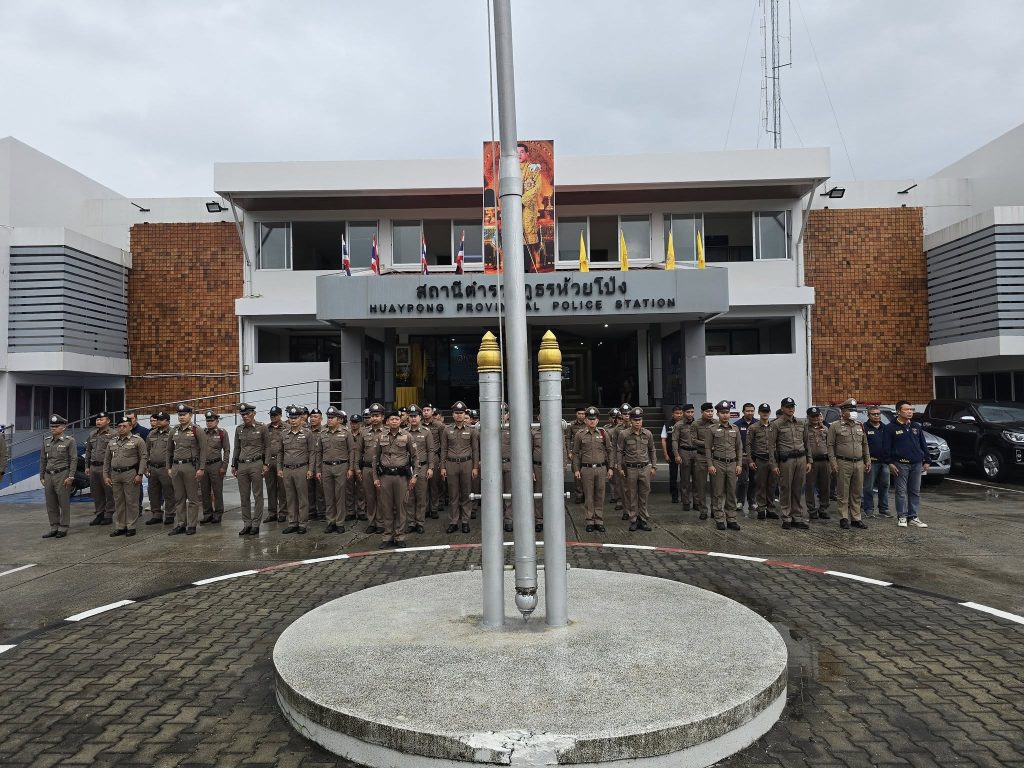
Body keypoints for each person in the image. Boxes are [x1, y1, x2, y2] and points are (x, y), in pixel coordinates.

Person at [373, 410, 419, 548]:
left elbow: (415, 457)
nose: (394, 421)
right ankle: (387, 536)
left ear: (400, 421)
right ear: (387, 421)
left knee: (401, 507)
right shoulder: (381, 436)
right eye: (391, 419)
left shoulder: (407, 436)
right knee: (386, 507)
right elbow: (375, 458)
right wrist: (375, 477)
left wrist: (415, 475)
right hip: (385, 476)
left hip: (401, 477)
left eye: (396, 419)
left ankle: (399, 536)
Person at [883, 400, 930, 528]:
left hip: (916, 464)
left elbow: (923, 444)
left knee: (915, 491)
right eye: (907, 409)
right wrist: (890, 463)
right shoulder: (890, 428)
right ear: (898, 411)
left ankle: (913, 516)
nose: (910, 412)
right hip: (900, 464)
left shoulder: (916, 426)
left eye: (911, 409)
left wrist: (927, 460)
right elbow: (886, 447)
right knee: (901, 491)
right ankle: (902, 516)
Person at [827, 399, 870, 530]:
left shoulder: (859, 425)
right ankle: (843, 518)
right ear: (843, 412)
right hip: (843, 462)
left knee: (857, 492)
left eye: (854, 410)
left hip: (859, 462)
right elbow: (830, 445)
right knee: (843, 492)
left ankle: (856, 518)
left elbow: (864, 444)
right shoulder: (835, 426)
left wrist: (867, 460)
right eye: (850, 410)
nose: (853, 412)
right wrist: (833, 462)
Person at [103, 416, 148, 538]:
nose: (121, 428)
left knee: (131, 501)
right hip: (115, 474)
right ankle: (120, 526)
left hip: (130, 473)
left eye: (124, 426)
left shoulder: (138, 440)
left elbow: (143, 458)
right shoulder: (112, 441)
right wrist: (106, 475)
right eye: (119, 426)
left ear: (130, 427)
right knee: (118, 501)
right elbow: (107, 460)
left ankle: (131, 526)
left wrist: (140, 474)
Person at [770, 397, 810, 530]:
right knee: (786, 488)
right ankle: (786, 517)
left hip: (801, 459)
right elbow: (771, 447)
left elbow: (807, 443)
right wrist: (774, 465)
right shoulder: (776, 424)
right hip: (786, 460)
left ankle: (797, 517)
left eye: (792, 406)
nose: (791, 409)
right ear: (782, 408)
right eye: (788, 407)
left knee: (798, 489)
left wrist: (809, 460)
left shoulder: (801, 423)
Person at [167, 404, 208, 536]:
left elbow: (203, 450)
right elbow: (169, 450)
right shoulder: (174, 430)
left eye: (184, 414)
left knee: (192, 498)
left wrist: (201, 468)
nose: (181, 417)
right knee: (179, 498)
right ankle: (181, 524)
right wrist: (169, 467)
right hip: (176, 467)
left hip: (191, 466)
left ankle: (192, 525)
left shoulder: (197, 430)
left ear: (190, 415)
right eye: (179, 415)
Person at [615, 407, 657, 532]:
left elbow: (652, 450)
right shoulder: (624, 434)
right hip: (631, 468)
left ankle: (643, 519)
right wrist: (619, 467)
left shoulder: (648, 433)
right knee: (631, 495)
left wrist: (654, 466)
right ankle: (633, 519)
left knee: (644, 494)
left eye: (640, 420)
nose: (638, 422)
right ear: (631, 421)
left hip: (644, 468)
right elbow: (619, 451)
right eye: (635, 420)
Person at [440, 401, 479, 534]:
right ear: (453, 414)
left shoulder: (471, 430)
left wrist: (475, 467)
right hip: (451, 464)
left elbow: (475, 450)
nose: (459, 415)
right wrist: (442, 466)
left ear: (464, 414)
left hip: (466, 464)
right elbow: (444, 449)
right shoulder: (447, 430)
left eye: (461, 413)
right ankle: (454, 521)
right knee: (453, 494)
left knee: (466, 493)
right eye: (456, 413)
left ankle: (465, 521)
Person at [573, 406, 612, 533]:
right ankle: (590, 520)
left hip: (601, 468)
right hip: (586, 469)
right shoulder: (580, 434)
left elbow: (610, 450)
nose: (592, 421)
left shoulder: (603, 433)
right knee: (588, 496)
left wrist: (610, 468)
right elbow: (575, 453)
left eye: (594, 419)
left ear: (597, 420)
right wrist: (576, 469)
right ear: (585, 420)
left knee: (600, 495)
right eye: (589, 419)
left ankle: (599, 520)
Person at [231, 403, 268, 536]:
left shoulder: (262, 427)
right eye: (243, 414)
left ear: (254, 414)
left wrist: (266, 464)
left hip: (256, 464)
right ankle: (247, 523)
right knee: (244, 496)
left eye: (247, 414)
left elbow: (267, 447)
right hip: (242, 465)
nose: (245, 416)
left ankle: (256, 524)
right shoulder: (239, 429)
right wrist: (233, 465)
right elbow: (237, 448)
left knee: (258, 495)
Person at [277, 405, 314, 534]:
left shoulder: (307, 433)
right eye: (291, 418)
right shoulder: (284, 434)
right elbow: (280, 452)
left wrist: (310, 469)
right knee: (290, 497)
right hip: (287, 470)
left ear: (301, 419)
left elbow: (312, 452)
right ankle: (292, 523)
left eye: (296, 418)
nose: (293, 420)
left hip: (301, 469)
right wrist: (279, 468)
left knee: (302, 498)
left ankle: (303, 524)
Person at [317, 406, 354, 535]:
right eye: (328, 417)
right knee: (328, 496)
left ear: (339, 419)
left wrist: (350, 468)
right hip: (326, 467)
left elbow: (351, 451)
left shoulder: (346, 432)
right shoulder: (322, 433)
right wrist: (318, 470)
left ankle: (340, 523)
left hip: (341, 466)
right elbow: (319, 453)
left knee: (340, 496)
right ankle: (331, 522)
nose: (329, 420)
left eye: (332, 418)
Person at [707, 400, 743, 531]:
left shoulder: (735, 429)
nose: (725, 415)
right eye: (722, 413)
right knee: (717, 492)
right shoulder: (712, 429)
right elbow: (707, 448)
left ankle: (731, 519)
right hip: (718, 463)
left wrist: (739, 464)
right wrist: (710, 465)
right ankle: (719, 519)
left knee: (732, 492)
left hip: (732, 464)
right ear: (717, 414)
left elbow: (739, 448)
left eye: (727, 412)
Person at [39, 414, 76, 539]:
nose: (53, 428)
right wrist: (41, 476)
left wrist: (71, 476)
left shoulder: (69, 441)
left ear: (63, 427)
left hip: (62, 474)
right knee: (50, 503)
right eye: (52, 426)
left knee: (63, 502)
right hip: (48, 475)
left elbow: (74, 459)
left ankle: (63, 527)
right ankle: (54, 527)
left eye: (56, 426)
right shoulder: (46, 441)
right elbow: (43, 460)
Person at [402, 404, 436, 535]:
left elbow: (430, 450)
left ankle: (420, 522)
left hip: (422, 467)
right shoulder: (404, 432)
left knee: (421, 496)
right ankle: (411, 523)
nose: (413, 418)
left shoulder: (426, 432)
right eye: (411, 416)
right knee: (409, 496)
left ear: (420, 417)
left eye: (415, 416)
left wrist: (431, 467)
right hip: (408, 468)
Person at [355, 403, 386, 533]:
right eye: (372, 416)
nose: (374, 418)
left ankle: (381, 523)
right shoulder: (364, 432)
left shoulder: (387, 432)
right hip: (367, 468)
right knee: (370, 496)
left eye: (377, 416)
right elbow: (358, 451)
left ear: (382, 417)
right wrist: (357, 467)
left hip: (382, 469)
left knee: (381, 496)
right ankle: (372, 522)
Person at [744, 404, 779, 520]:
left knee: (772, 485)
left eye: (767, 411)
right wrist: (750, 460)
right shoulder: (753, 427)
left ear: (770, 412)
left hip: (773, 460)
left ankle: (771, 509)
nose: (765, 413)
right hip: (760, 460)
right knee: (760, 485)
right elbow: (748, 445)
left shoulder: (774, 426)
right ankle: (761, 509)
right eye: (763, 411)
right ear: (759, 412)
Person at [518, 142, 546, 272]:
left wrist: (522, 201)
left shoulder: (533, 168)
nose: (519, 155)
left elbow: (537, 188)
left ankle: (527, 270)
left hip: (527, 209)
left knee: (527, 240)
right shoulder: (510, 169)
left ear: (527, 154)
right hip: (513, 209)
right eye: (516, 152)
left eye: (521, 152)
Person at [144, 412, 176, 525]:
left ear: (168, 421)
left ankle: (170, 515)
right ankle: (156, 515)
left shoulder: (173, 433)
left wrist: (172, 467)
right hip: (153, 468)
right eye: (157, 419)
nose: (158, 421)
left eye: (161, 420)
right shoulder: (152, 433)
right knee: (153, 493)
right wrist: (146, 466)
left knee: (169, 492)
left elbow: (175, 451)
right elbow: (147, 451)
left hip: (166, 468)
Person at [85, 412, 116, 526]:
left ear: (108, 421)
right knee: (96, 492)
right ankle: (99, 514)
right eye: (97, 419)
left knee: (109, 492)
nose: (98, 421)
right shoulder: (92, 434)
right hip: (94, 467)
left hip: (106, 467)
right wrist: (87, 466)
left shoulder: (114, 434)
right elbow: (88, 450)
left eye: (101, 419)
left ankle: (109, 514)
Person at [199, 411, 229, 525]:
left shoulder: (222, 433)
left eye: (211, 421)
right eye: (208, 421)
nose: (209, 423)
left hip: (216, 465)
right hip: (203, 465)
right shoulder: (202, 433)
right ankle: (207, 514)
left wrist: (224, 466)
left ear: (217, 421)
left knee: (217, 491)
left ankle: (218, 513)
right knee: (204, 491)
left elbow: (226, 450)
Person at [861, 406, 891, 518]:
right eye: (874, 414)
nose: (877, 416)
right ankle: (868, 509)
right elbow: (862, 446)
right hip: (871, 462)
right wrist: (864, 461)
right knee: (868, 487)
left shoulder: (886, 428)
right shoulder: (864, 428)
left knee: (885, 486)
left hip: (884, 462)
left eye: (878, 414)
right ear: (868, 415)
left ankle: (884, 509)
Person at [803, 407, 832, 521]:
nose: (815, 418)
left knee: (825, 486)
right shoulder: (805, 429)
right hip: (811, 462)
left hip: (825, 461)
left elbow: (830, 444)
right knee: (810, 487)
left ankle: (823, 509)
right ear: (808, 417)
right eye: (813, 416)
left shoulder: (825, 428)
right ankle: (812, 510)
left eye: (817, 416)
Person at [691, 402, 716, 520]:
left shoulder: (717, 423)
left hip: (714, 457)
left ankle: (715, 509)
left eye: (711, 411)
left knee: (715, 485)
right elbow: (693, 440)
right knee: (701, 485)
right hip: (701, 457)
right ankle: (703, 510)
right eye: (707, 411)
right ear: (702, 412)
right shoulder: (696, 424)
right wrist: (708, 444)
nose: (710, 413)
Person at [672, 404, 698, 511]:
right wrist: (676, 455)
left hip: (696, 452)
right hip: (684, 452)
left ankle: (697, 502)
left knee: (697, 479)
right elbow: (674, 440)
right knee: (685, 480)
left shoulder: (697, 424)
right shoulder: (679, 425)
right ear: (683, 413)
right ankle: (686, 502)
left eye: (692, 412)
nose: (690, 414)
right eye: (688, 412)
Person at [264, 406, 288, 523]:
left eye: (275, 415)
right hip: (269, 461)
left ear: (280, 415)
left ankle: (283, 512)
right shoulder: (266, 428)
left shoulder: (287, 427)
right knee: (270, 488)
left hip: (281, 461)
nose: (272, 417)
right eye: (271, 415)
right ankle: (272, 513)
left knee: (282, 489)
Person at [126, 413, 150, 519]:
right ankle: (129, 508)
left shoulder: (144, 431)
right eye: (128, 419)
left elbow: (147, 449)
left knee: (137, 486)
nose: (130, 420)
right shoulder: (124, 430)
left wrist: (146, 465)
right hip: (127, 462)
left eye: (131, 418)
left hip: (139, 463)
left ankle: (138, 507)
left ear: (136, 419)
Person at [734, 403, 757, 513]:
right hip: (742, 457)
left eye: (752, 411)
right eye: (748, 411)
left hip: (755, 456)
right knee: (742, 480)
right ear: (743, 412)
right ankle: (740, 502)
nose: (750, 413)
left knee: (754, 480)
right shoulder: (737, 425)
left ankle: (752, 502)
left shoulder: (757, 424)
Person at [306, 408, 327, 521]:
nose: (312, 419)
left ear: (321, 418)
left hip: (320, 464)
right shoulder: (305, 431)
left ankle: (322, 512)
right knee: (309, 490)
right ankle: (311, 511)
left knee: (321, 490)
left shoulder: (324, 431)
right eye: (311, 417)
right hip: (308, 464)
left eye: (315, 417)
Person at [661, 405, 684, 503]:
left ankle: (684, 496)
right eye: (677, 413)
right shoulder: (667, 424)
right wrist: (665, 454)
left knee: (684, 476)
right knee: (673, 476)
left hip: (684, 453)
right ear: (672, 414)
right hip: (672, 454)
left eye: (680, 413)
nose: (679, 415)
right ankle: (674, 496)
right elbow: (663, 440)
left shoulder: (686, 424)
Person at [346, 413, 366, 521]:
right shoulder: (346, 434)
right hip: (348, 465)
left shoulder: (363, 434)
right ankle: (350, 512)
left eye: (356, 423)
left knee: (361, 489)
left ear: (360, 423)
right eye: (352, 422)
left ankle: (361, 511)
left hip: (360, 465)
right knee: (349, 489)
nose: (354, 424)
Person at [567, 407, 588, 504]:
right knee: (577, 474)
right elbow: (568, 438)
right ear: (576, 414)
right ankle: (579, 495)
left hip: (586, 452)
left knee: (587, 474)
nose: (581, 415)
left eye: (583, 413)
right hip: (576, 452)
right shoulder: (572, 425)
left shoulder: (588, 423)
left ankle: (587, 494)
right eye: (579, 413)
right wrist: (569, 451)